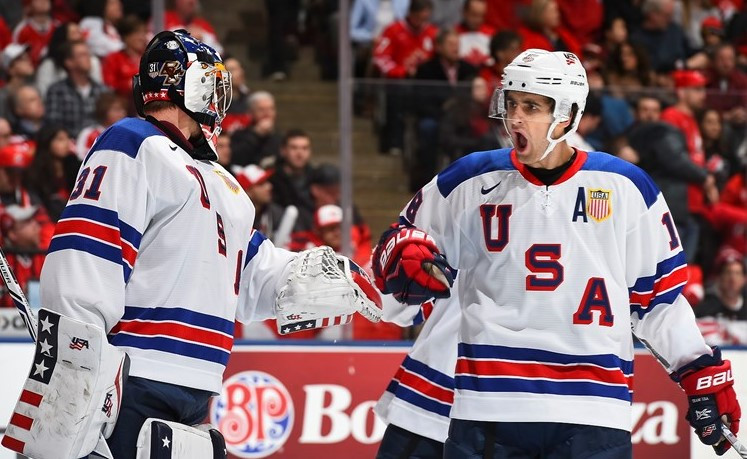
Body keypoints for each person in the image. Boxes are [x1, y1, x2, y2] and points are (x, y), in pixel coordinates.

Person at [9, 30, 380, 458]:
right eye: (214, 83)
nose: (221, 100)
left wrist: (349, 280)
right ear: (189, 84)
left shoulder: (224, 184)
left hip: (198, 389)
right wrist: (73, 374)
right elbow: (87, 258)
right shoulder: (133, 143)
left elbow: (254, 276)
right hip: (130, 377)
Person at [372, 49, 741, 457]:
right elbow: (395, 268)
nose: (515, 118)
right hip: (489, 405)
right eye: (511, 104)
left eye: (531, 106)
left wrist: (699, 370)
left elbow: (659, 302)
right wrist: (395, 260)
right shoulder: (469, 180)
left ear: (566, 113)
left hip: (595, 410)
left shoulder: (626, 186)